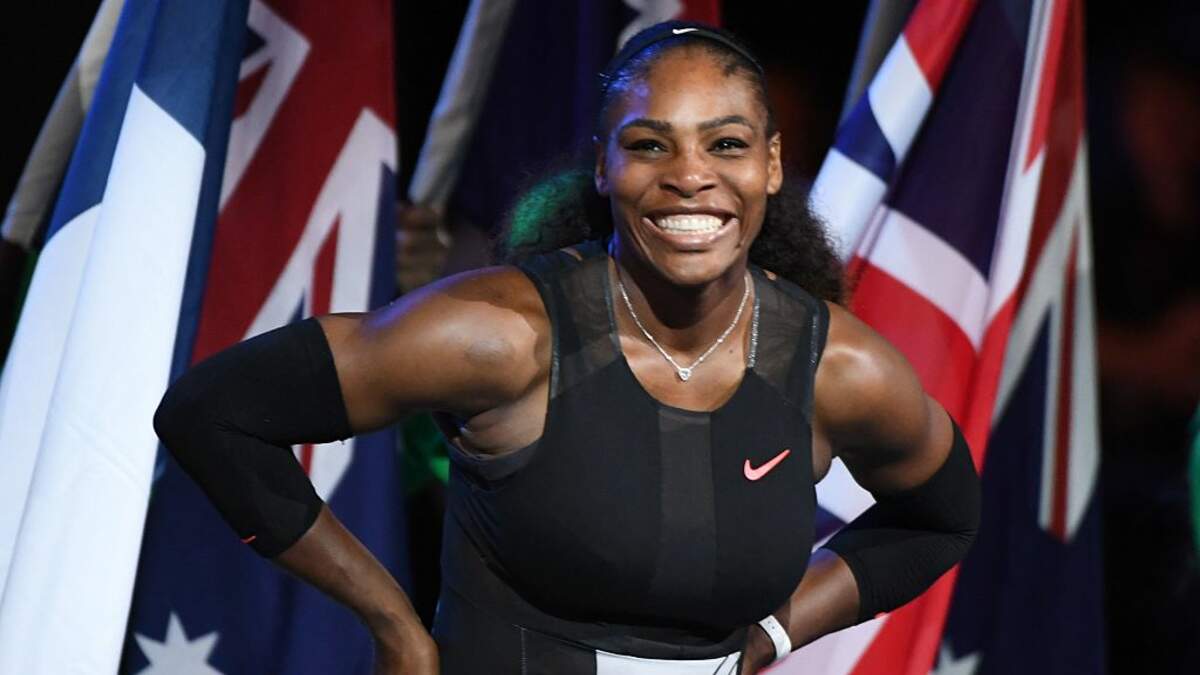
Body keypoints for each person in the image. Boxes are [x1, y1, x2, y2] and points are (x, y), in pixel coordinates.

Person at [154, 21, 980, 674]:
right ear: (603, 166)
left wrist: (774, 632)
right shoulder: (502, 334)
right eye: (649, 143)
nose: (689, 175)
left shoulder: (837, 368)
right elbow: (212, 414)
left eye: (725, 144)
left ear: (769, 164)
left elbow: (941, 520)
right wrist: (392, 620)